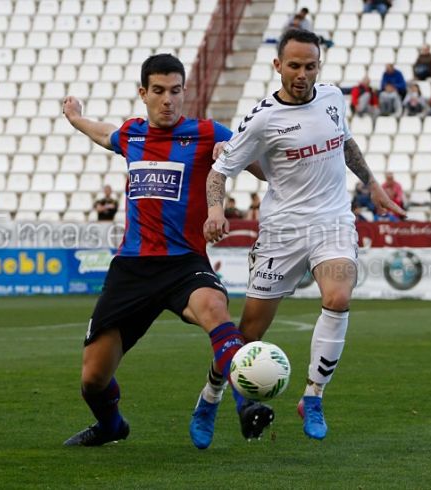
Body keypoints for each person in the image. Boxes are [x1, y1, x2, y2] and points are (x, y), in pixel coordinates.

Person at [194, 29, 405, 443]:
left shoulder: (331, 98)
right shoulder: (263, 118)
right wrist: (216, 208)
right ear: (278, 66)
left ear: (318, 65)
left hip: (333, 221)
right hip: (281, 231)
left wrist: (373, 184)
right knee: (250, 333)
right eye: (294, 66)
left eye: (310, 66)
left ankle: (313, 396)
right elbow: (220, 170)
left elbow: (345, 143)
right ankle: (210, 396)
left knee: (338, 296)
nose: (302, 74)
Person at [60, 54, 264, 448]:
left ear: (184, 92)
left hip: (184, 264)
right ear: (143, 93)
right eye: (158, 91)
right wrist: (75, 119)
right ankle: (112, 427)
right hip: (132, 269)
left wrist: (234, 152)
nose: (167, 100)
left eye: (175, 91)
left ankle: (245, 405)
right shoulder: (132, 135)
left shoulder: (207, 133)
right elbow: (105, 133)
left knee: (215, 310)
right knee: (92, 378)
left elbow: (262, 168)